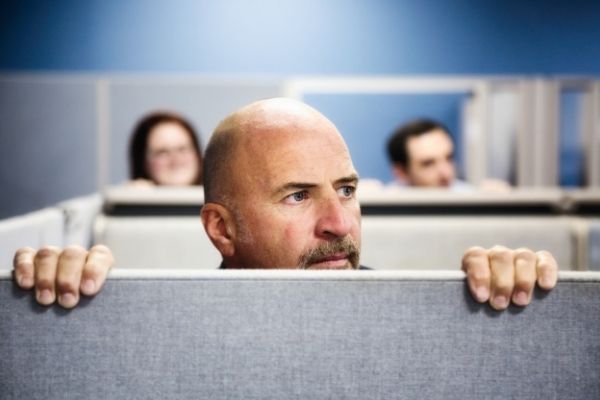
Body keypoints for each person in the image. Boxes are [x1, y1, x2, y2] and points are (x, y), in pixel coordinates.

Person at [12, 98, 557, 311]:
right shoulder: (167, 327)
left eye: (346, 189)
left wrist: (510, 307)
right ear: (221, 230)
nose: (339, 224)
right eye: (297, 196)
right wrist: (74, 307)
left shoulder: (416, 318)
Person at [386, 118, 509, 190]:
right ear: (401, 173)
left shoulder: (470, 199)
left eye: (448, 158)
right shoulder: (384, 206)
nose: (445, 173)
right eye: (428, 164)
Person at [129, 111, 203, 186]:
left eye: (182, 149)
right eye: (162, 152)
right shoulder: (126, 195)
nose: (175, 159)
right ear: (143, 162)